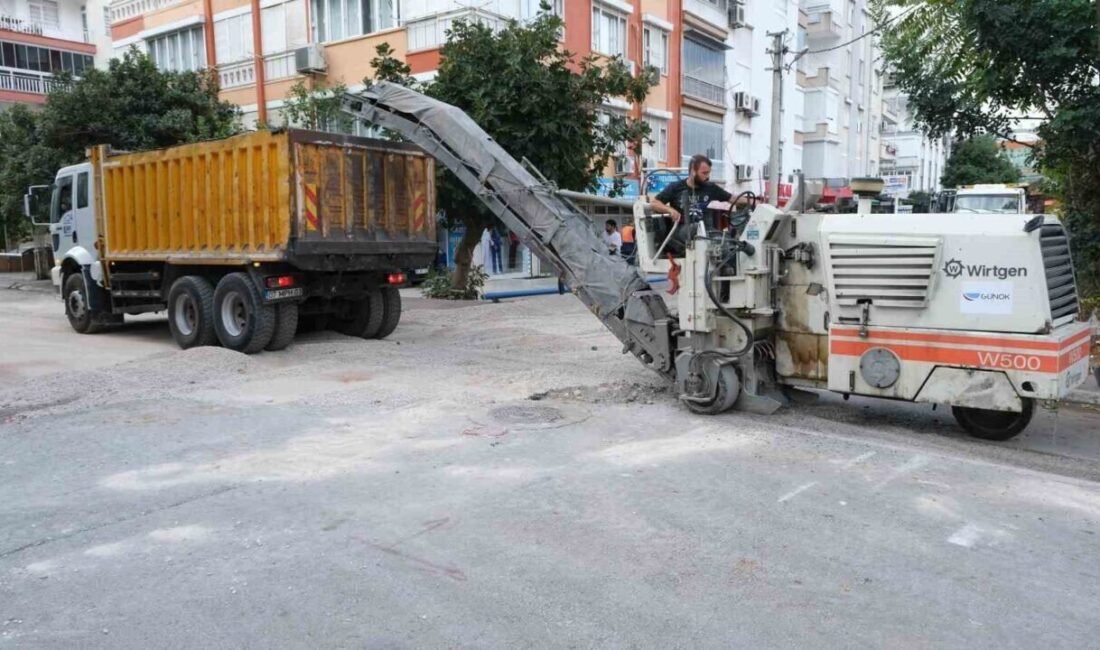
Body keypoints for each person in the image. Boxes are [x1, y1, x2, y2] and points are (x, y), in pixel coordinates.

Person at [649, 154, 733, 224]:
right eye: (704, 173)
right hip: (682, 231)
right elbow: (654, 203)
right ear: (693, 171)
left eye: (708, 173)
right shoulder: (676, 187)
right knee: (695, 230)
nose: (708, 176)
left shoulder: (711, 188)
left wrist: (745, 199)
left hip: (706, 232)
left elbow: (732, 198)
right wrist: (669, 210)